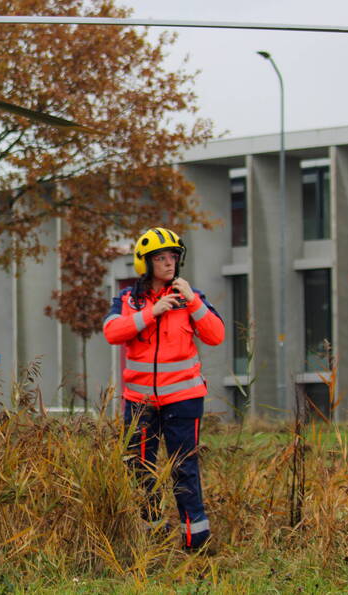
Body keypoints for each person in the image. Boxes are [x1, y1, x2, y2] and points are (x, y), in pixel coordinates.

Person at [103, 227, 224, 551]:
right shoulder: (128, 300)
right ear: (145, 263)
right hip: (140, 401)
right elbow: (112, 332)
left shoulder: (190, 297)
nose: (170, 263)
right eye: (161, 258)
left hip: (184, 399)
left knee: (184, 468)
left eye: (173, 257)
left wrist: (194, 300)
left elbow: (216, 335)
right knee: (139, 467)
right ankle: (154, 533)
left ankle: (196, 542)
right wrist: (151, 313)